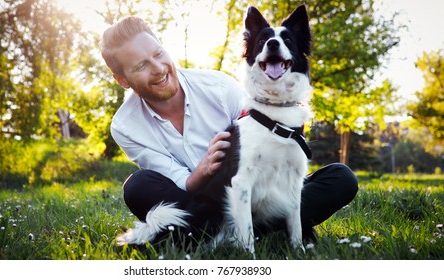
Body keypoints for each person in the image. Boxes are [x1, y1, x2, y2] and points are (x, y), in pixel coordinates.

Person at [100, 16, 358, 242]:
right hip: (199, 204)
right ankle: (247, 230)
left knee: (340, 178)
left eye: (157, 54)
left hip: (261, 194)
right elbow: (172, 177)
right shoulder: (126, 126)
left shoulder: (220, 87)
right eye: (141, 66)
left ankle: (203, 235)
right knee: (137, 187)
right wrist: (201, 171)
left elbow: (277, 146)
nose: (158, 69)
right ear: (122, 80)